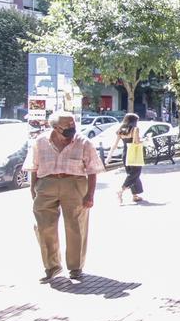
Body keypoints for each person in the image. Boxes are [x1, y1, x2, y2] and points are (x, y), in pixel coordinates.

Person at [24, 111, 104, 283]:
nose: (71, 128)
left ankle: (75, 267)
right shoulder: (40, 142)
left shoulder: (84, 142)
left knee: (76, 226)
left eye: (72, 124)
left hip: (74, 183)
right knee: (43, 226)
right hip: (47, 184)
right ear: (55, 127)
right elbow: (34, 167)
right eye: (66, 126)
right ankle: (52, 266)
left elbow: (92, 170)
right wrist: (33, 189)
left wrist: (90, 194)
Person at [108, 113, 144, 204]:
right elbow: (136, 142)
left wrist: (109, 156)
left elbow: (115, 144)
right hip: (134, 154)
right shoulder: (135, 129)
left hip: (125, 154)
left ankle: (135, 195)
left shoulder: (121, 130)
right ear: (134, 121)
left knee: (131, 174)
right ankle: (121, 191)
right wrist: (145, 140)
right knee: (135, 174)